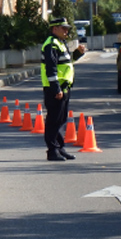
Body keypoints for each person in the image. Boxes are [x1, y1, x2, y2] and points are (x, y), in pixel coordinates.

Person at [41, 17, 86, 161]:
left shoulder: (60, 43)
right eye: (63, 28)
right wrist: (56, 89)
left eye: (67, 29)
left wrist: (78, 54)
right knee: (54, 120)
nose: (67, 31)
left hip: (64, 88)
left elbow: (66, 62)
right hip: (55, 89)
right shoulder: (51, 45)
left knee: (61, 119)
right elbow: (51, 69)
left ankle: (60, 148)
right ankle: (52, 150)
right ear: (55, 29)